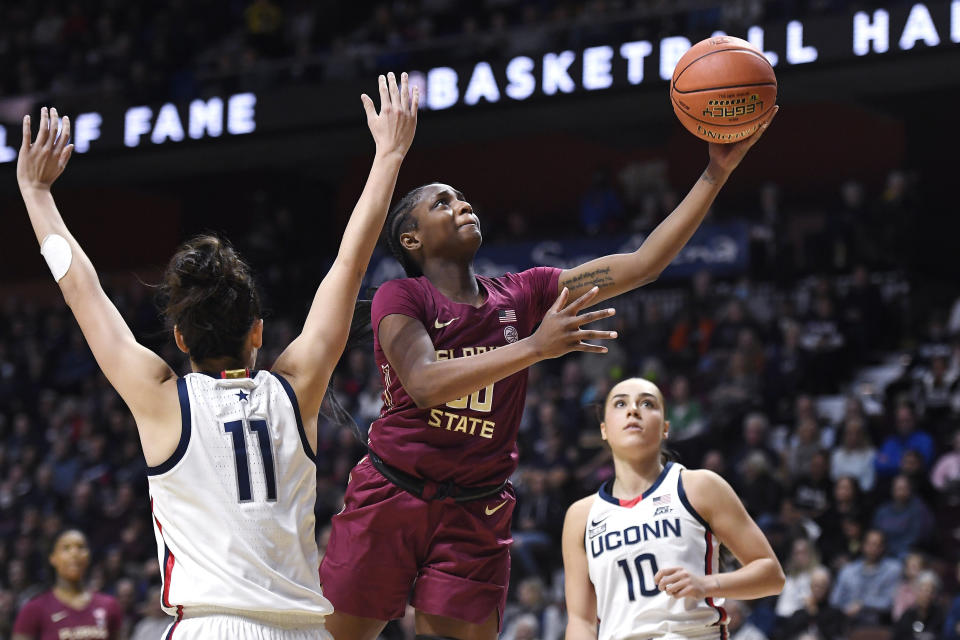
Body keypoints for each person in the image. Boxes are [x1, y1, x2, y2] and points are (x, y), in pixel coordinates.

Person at [319, 107, 779, 640]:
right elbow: (423, 384)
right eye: (441, 202)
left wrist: (715, 172)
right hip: (393, 493)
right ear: (412, 241)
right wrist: (536, 347)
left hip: (475, 509)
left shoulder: (525, 292)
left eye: (462, 197)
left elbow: (645, 262)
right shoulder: (404, 295)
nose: (461, 203)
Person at [15, 71, 418, 639]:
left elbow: (82, 288)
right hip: (302, 631)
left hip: (209, 627)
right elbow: (349, 266)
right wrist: (389, 155)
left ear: (180, 339)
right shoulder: (294, 386)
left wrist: (36, 194)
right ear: (258, 331)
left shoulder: (161, 399)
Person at [562, 377, 784, 640]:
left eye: (647, 403)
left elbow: (771, 574)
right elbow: (581, 622)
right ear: (604, 429)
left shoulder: (700, 486)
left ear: (665, 428)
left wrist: (706, 584)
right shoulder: (581, 516)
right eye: (620, 404)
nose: (633, 410)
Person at [12, 529, 123, 640]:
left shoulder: (109, 606)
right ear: (52, 558)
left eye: (81, 547)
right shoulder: (34, 609)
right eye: (66, 548)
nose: (74, 554)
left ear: (88, 556)